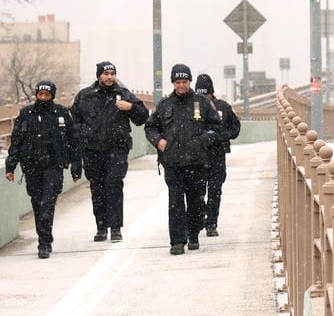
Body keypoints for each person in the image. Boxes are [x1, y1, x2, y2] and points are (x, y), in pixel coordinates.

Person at [145, 64, 223, 255]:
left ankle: (194, 233)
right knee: (175, 201)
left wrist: (202, 141)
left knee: (196, 200)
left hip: (197, 162)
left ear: (189, 82)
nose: (181, 85)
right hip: (173, 162)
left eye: (185, 82)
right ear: (173, 82)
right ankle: (177, 241)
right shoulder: (164, 105)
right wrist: (158, 141)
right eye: (178, 82)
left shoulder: (202, 103)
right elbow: (150, 127)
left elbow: (216, 128)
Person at [70, 61, 149, 243]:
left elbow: (143, 116)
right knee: (97, 188)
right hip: (92, 149)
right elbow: (74, 121)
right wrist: (85, 131)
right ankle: (101, 226)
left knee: (114, 185)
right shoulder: (85, 96)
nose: (109, 77)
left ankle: (115, 228)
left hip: (117, 148)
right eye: (106, 74)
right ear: (99, 75)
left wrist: (131, 107)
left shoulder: (122, 94)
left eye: (112, 73)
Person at [5, 81, 79, 258]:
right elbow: (16, 141)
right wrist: (10, 166)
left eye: (47, 95)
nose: (44, 98)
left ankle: (44, 243)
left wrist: (76, 166)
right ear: (37, 95)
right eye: (41, 95)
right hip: (32, 167)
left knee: (47, 203)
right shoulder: (26, 114)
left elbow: (74, 140)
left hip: (54, 166)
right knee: (37, 204)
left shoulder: (61, 113)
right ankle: (44, 236)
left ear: (52, 95)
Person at [194, 74, 240, 237]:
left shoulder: (223, 108)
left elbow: (235, 128)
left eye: (205, 95)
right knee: (197, 191)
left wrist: (222, 135)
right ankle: (198, 220)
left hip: (217, 155)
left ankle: (211, 223)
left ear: (211, 93)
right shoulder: (192, 107)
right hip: (198, 156)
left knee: (215, 190)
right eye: (199, 95)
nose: (203, 98)